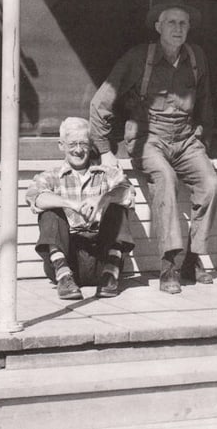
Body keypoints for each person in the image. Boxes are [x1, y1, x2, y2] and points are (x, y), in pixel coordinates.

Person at [90, 0, 217, 294]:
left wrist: (203, 136)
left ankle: (193, 256)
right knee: (165, 179)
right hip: (148, 137)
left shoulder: (196, 57)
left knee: (212, 184)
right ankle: (169, 265)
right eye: (172, 23)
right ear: (159, 27)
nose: (178, 28)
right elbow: (101, 103)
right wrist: (105, 150)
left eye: (183, 23)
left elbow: (205, 102)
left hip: (186, 138)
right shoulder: (139, 58)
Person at [25, 116, 135, 299]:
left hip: (102, 258)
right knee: (50, 211)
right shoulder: (50, 176)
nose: (78, 150)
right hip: (68, 259)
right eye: (72, 144)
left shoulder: (107, 173)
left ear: (91, 144)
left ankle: (110, 276)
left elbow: (128, 192)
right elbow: (34, 197)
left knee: (117, 204)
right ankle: (64, 278)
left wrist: (103, 198)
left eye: (83, 144)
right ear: (62, 145)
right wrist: (69, 204)